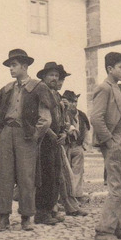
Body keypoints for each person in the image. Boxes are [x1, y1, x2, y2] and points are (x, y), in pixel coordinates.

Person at [0, 49, 52, 231]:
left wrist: (34, 135)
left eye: (14, 65)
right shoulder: (7, 89)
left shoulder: (38, 87)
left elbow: (46, 118)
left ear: (25, 66)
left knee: (26, 176)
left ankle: (26, 217)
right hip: (7, 133)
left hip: (26, 135)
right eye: (10, 65)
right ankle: (3, 218)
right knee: (3, 175)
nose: (11, 69)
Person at [91, 51, 121, 240]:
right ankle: (104, 231)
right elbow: (96, 118)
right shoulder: (104, 88)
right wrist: (109, 142)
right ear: (110, 69)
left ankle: (119, 228)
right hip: (115, 140)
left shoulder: (116, 87)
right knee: (117, 187)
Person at [34, 62, 67, 225]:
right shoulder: (40, 91)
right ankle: (41, 213)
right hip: (44, 140)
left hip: (55, 141)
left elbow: (59, 118)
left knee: (55, 176)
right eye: (51, 75)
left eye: (56, 75)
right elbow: (39, 118)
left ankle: (51, 210)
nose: (54, 78)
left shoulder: (55, 94)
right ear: (44, 77)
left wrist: (63, 133)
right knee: (45, 176)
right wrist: (52, 134)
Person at [63, 90, 91, 202]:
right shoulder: (63, 113)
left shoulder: (82, 115)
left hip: (77, 146)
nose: (74, 104)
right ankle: (66, 198)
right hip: (66, 146)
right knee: (65, 172)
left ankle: (77, 196)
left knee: (78, 171)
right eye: (71, 101)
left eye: (75, 101)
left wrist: (84, 144)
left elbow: (87, 129)